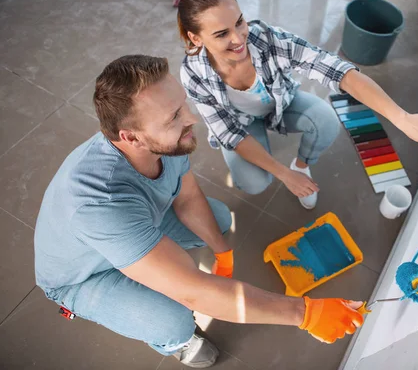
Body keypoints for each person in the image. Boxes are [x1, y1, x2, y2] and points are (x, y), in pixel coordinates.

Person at [34, 55, 365, 369]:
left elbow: (188, 198)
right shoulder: (99, 203)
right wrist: (304, 314)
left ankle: (142, 267)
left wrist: (223, 254)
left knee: (218, 221)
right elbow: (194, 291)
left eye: (182, 105)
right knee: (175, 318)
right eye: (174, 117)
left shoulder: (165, 140)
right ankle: (170, 341)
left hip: (134, 225)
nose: (191, 118)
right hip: (85, 274)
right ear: (131, 137)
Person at [179, 0, 418, 209]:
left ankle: (301, 166)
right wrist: (283, 175)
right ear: (196, 38)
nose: (239, 39)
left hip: (280, 104)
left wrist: (402, 118)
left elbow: (337, 71)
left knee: (326, 120)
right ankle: (288, 171)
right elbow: (230, 134)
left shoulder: (271, 41)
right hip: (242, 123)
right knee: (254, 183)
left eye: (239, 22)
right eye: (222, 33)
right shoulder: (193, 74)